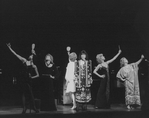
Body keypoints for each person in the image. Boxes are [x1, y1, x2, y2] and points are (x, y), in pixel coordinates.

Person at [6, 43, 39, 114]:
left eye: (32, 56)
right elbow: (16, 54)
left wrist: (32, 77)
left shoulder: (34, 66)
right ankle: (24, 108)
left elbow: (38, 75)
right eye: (31, 55)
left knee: (31, 94)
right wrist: (10, 48)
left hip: (29, 80)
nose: (31, 55)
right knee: (24, 94)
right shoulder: (24, 60)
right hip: (23, 79)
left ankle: (33, 107)